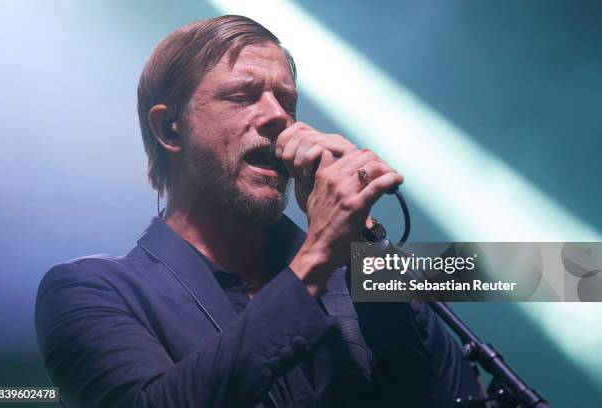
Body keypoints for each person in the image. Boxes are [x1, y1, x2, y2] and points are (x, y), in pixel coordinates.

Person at [35, 15, 483, 407]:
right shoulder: (92, 292)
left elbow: (453, 395)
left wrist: (365, 248)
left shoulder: (352, 271)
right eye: (243, 96)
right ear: (170, 128)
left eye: (286, 101)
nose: (279, 117)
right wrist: (318, 255)